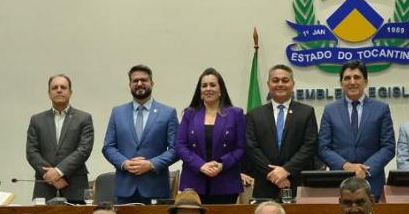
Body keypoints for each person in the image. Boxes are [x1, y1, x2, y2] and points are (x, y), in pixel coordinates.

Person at [318, 60, 395, 200]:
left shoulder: (381, 109)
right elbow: (323, 148)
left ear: (366, 81)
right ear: (341, 83)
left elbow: (388, 147)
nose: (352, 82)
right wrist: (346, 166)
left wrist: (364, 169)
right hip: (339, 183)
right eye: (347, 78)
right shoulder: (330, 110)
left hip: (372, 183)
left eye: (357, 77)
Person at [102, 65, 180, 204]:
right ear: (130, 84)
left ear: (152, 83)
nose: (139, 83)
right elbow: (108, 147)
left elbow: (176, 149)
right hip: (124, 189)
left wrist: (151, 164)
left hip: (156, 188)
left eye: (144, 80)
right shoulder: (117, 113)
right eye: (135, 81)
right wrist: (124, 163)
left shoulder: (168, 113)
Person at [245, 65, 318, 201]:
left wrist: (286, 170)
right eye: (275, 80)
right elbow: (252, 148)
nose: (280, 84)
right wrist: (273, 174)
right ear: (268, 84)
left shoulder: (307, 112)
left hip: (295, 181)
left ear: (293, 84)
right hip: (265, 183)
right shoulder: (254, 115)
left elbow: (310, 145)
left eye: (285, 80)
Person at [175, 68, 246, 204]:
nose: (208, 89)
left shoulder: (236, 114)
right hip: (194, 181)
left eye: (213, 85)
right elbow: (180, 146)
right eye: (204, 86)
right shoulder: (189, 114)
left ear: (220, 90)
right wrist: (201, 165)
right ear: (200, 91)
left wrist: (222, 164)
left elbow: (240, 148)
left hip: (225, 182)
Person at [25, 74, 95, 202]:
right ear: (49, 93)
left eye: (63, 87)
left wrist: (59, 171)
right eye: (54, 87)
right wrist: (50, 176)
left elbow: (84, 149)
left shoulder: (84, 118)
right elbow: (32, 152)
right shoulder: (37, 120)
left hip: (75, 185)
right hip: (44, 185)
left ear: (70, 92)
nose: (59, 90)